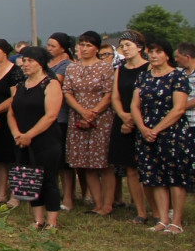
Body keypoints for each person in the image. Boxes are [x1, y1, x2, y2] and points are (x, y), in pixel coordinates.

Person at [131, 38, 193, 234]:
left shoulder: (177, 77)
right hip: (146, 132)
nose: (154, 55)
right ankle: (163, 219)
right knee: (154, 175)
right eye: (151, 51)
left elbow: (179, 108)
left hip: (172, 133)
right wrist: (142, 127)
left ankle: (176, 222)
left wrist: (156, 129)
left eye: (158, 51)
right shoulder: (144, 77)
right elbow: (134, 105)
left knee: (175, 176)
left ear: (167, 54)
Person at [7, 45, 65, 231]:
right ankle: (38, 219)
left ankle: (52, 221)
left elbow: (51, 115)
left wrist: (29, 135)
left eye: (29, 60)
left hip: (45, 140)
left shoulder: (50, 84)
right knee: (30, 180)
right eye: (23, 60)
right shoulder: (20, 86)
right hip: (22, 140)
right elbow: (11, 112)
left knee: (48, 180)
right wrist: (17, 134)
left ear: (40, 63)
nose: (25, 64)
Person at [63, 30, 116, 216]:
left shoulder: (105, 68)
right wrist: (82, 112)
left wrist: (92, 113)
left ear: (96, 48)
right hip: (78, 117)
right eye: (81, 44)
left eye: (88, 45)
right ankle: (98, 203)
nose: (84, 48)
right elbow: (68, 92)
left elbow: (109, 94)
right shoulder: (72, 68)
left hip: (101, 119)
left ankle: (108, 204)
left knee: (104, 163)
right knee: (86, 163)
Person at [110, 30, 151, 223]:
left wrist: (134, 120)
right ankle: (141, 211)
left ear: (140, 47)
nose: (124, 49)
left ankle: (159, 210)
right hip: (124, 119)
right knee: (131, 169)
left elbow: (149, 97)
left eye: (128, 45)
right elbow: (115, 96)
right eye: (122, 46)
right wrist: (124, 116)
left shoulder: (149, 68)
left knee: (148, 168)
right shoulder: (120, 69)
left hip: (145, 121)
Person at [0, 39, 25, 206]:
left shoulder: (14, 71)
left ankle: (15, 195)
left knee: (13, 157)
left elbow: (15, 98)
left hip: (10, 118)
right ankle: (1, 192)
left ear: (5, 52)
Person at [46, 32, 77, 210]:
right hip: (46, 117)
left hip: (61, 117)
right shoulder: (48, 64)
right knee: (52, 162)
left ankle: (68, 198)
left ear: (63, 48)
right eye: (48, 45)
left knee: (64, 162)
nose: (49, 49)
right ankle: (54, 193)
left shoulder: (67, 66)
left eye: (53, 46)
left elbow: (53, 82)